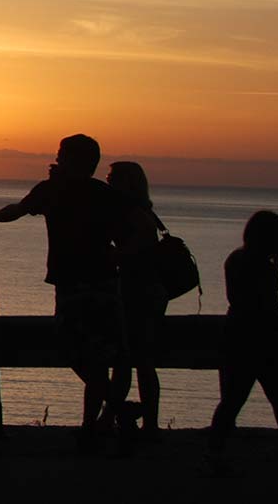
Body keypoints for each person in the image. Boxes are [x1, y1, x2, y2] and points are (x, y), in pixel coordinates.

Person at [0, 134, 129, 450]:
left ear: (72, 159)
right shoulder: (101, 193)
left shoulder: (54, 189)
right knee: (94, 356)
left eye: (61, 154)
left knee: (74, 349)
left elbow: (17, 210)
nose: (56, 158)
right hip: (103, 282)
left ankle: (107, 413)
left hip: (75, 283)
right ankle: (103, 418)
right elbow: (123, 236)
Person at [205, 210, 278, 474]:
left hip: (235, 335)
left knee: (231, 402)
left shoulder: (235, 259)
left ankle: (213, 452)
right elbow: (268, 307)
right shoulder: (263, 268)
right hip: (262, 342)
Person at [107, 162, 164, 441]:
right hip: (141, 290)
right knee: (132, 359)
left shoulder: (134, 212)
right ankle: (128, 418)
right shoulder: (138, 210)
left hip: (140, 292)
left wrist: (114, 256)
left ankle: (143, 423)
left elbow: (141, 247)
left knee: (134, 358)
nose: (108, 181)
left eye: (113, 178)